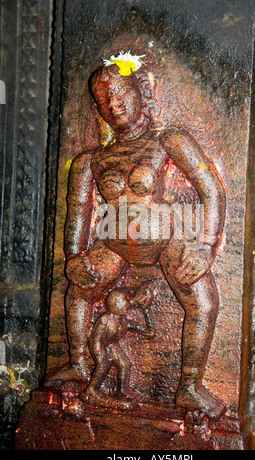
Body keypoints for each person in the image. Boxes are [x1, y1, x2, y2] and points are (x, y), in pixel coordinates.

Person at [46, 58, 226, 419]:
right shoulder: (91, 161)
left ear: (142, 91)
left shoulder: (167, 141)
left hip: (165, 240)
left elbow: (211, 190)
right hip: (114, 244)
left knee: (203, 302)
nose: (114, 106)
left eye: (121, 94)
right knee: (78, 289)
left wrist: (206, 246)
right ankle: (80, 363)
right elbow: (79, 213)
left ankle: (190, 387)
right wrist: (74, 257)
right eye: (104, 102)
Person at [80, 285, 154, 409]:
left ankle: (122, 390)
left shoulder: (123, 321)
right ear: (116, 303)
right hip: (100, 346)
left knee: (124, 364)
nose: (128, 304)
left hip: (111, 345)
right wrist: (100, 354)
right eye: (126, 300)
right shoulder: (105, 320)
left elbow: (149, 332)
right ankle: (91, 391)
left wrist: (146, 310)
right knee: (103, 365)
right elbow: (95, 339)